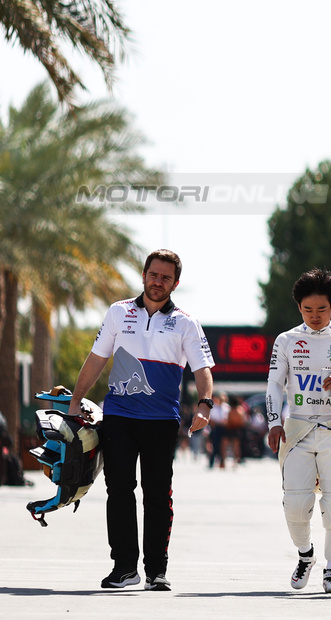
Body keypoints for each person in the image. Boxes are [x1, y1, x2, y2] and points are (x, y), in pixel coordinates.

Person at [69, 249, 214, 591]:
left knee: (158, 494)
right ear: (144, 275)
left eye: (165, 277)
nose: (158, 281)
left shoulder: (185, 322)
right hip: (118, 416)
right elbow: (96, 359)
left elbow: (202, 369)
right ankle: (123, 568)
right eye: (153, 274)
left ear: (175, 283)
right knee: (119, 490)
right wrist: (75, 400)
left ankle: (156, 571)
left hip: (161, 421)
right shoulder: (118, 313)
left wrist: (204, 404)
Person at [265, 268, 331, 595]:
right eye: (308, 310)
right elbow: (273, 384)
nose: (315, 316)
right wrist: (273, 423)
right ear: (299, 308)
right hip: (296, 429)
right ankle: (305, 555)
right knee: (296, 502)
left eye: (321, 309)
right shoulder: (286, 340)